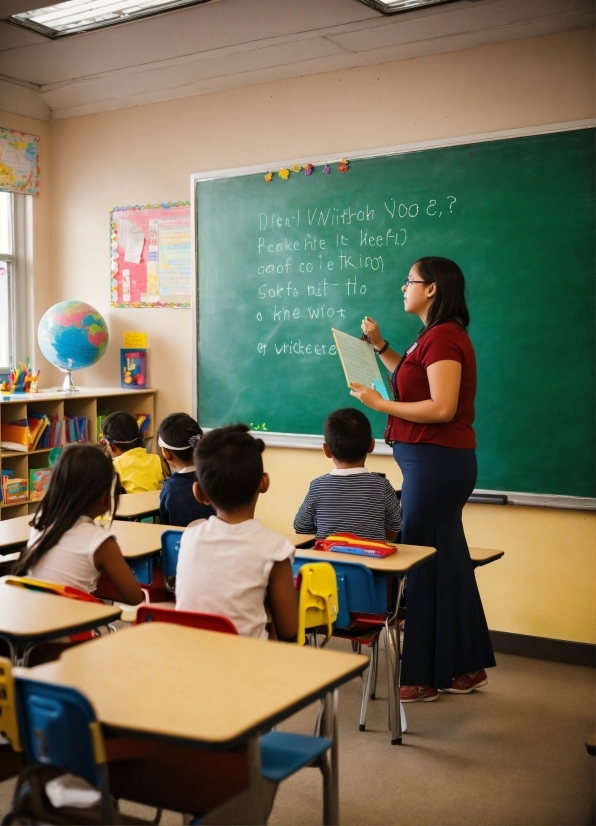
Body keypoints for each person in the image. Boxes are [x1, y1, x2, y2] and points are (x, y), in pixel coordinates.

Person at [351, 256, 495, 702]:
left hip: (437, 463)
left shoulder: (445, 336)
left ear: (431, 289)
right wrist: (379, 347)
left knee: (422, 562)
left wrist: (379, 406)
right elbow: (412, 379)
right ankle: (464, 668)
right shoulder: (430, 338)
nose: (402, 287)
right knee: (447, 561)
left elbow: (441, 408)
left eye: (409, 281)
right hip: (431, 463)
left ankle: (424, 675)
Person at [175, 424, 297, 641]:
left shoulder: (190, 537)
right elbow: (289, 629)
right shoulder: (274, 549)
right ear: (264, 483)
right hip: (245, 666)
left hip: (190, 659)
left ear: (199, 493)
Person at [12, 443, 144, 605]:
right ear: (104, 495)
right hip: (74, 624)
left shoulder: (41, 519)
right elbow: (135, 597)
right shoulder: (101, 542)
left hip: (34, 617)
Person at [293, 407, 402, 541]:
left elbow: (301, 527)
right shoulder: (382, 487)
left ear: (326, 450)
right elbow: (394, 530)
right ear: (371, 445)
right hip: (372, 560)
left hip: (329, 560)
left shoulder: (317, 487)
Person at [157, 412, 215, 526]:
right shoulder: (215, 477)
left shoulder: (170, 488)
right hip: (217, 542)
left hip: (179, 543)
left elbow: (163, 523)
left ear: (166, 453)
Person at [101, 410, 163, 493]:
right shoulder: (156, 459)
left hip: (130, 505)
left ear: (111, 445)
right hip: (155, 506)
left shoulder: (115, 464)